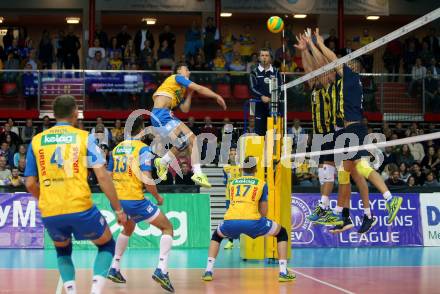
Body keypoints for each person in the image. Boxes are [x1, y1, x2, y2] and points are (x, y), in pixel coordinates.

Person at [24, 95, 127, 294]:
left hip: (51, 210)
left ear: (54, 115)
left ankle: (71, 291)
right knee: (106, 245)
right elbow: (103, 176)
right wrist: (118, 209)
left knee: (63, 250)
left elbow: (29, 183)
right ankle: (95, 291)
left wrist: (44, 198)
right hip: (80, 207)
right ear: (75, 114)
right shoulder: (83, 137)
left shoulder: (36, 141)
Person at [313, 28, 403, 227]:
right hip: (349, 130)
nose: (343, 65)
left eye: (349, 62)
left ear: (354, 66)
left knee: (361, 167)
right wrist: (313, 48)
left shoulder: (351, 76)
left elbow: (333, 59)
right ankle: (343, 215)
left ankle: (389, 198)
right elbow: (326, 65)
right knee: (345, 171)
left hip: (353, 129)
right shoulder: (346, 81)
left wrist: (320, 43)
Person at [106, 116, 175, 292]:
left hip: (119, 200)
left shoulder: (116, 149)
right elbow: (147, 178)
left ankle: (114, 267)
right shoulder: (143, 149)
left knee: (128, 228)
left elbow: (108, 176)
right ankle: (162, 270)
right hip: (134, 200)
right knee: (167, 228)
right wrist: (157, 198)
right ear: (142, 130)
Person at [202, 156, 295, 282]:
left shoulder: (232, 183)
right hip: (252, 221)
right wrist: (261, 224)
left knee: (216, 236)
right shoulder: (261, 184)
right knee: (282, 233)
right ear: (256, 169)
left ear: (241, 168)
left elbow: (230, 204)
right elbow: (263, 210)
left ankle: (208, 271)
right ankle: (283, 272)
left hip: (230, 220)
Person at [151, 63, 226, 188]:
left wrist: (190, 93)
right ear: (179, 70)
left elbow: (185, 109)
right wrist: (216, 96)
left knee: (189, 141)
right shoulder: (177, 77)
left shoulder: (180, 89)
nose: (189, 72)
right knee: (186, 142)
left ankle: (194, 171)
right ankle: (166, 163)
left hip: (167, 115)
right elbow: (200, 89)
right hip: (160, 115)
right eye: (187, 69)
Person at [249, 48, 282, 136]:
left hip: (274, 106)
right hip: (258, 106)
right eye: (262, 55)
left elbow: (280, 87)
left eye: (266, 55)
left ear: (270, 58)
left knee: (274, 135)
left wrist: (274, 98)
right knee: (259, 134)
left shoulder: (276, 72)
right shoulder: (254, 72)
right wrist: (261, 97)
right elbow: (252, 88)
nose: (264, 58)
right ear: (259, 58)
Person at [222, 147, 240, 249]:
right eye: (231, 154)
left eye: (234, 154)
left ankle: (243, 241)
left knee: (242, 218)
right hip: (229, 198)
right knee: (229, 219)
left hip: (240, 198)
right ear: (229, 156)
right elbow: (225, 182)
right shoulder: (225, 168)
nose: (233, 156)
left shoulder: (242, 167)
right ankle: (230, 241)